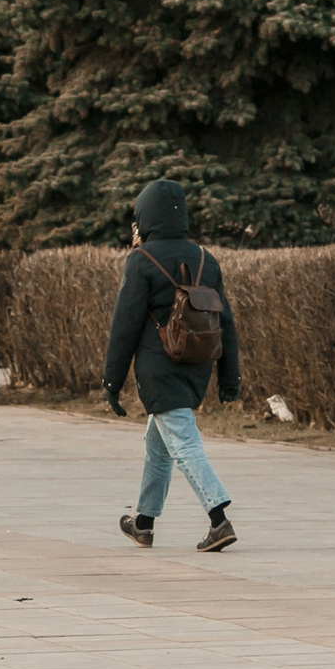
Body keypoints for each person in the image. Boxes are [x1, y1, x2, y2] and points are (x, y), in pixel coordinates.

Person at [103, 178, 242, 551]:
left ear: (146, 216)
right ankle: (144, 523)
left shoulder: (142, 259)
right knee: (158, 444)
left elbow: (124, 326)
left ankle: (219, 520)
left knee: (182, 443)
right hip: (198, 364)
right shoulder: (204, 259)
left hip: (157, 368)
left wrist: (111, 381)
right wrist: (231, 378)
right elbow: (225, 321)